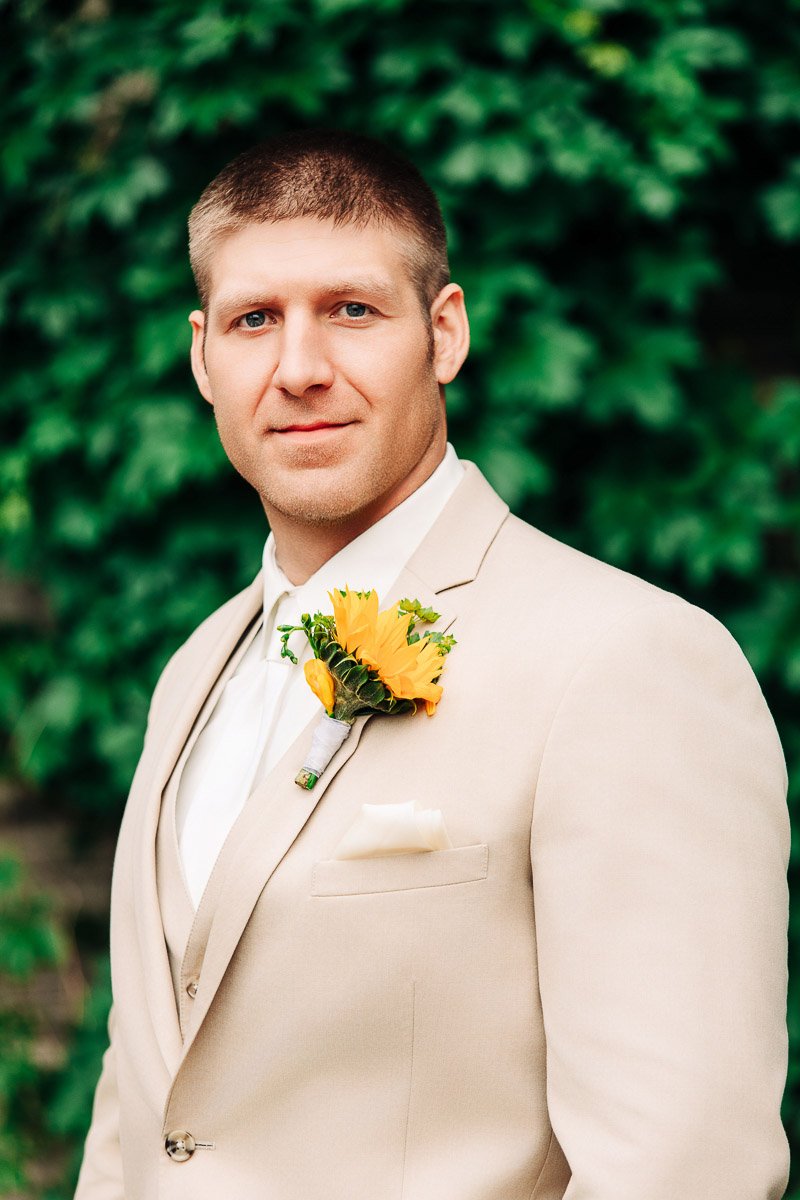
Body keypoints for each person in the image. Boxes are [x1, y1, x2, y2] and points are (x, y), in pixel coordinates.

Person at [75, 129, 790, 1200]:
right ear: (200, 356)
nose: (300, 367)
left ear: (443, 332)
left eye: (351, 310)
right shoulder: (194, 671)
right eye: (253, 320)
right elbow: (143, 1105)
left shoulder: (625, 662)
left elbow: (683, 1169)